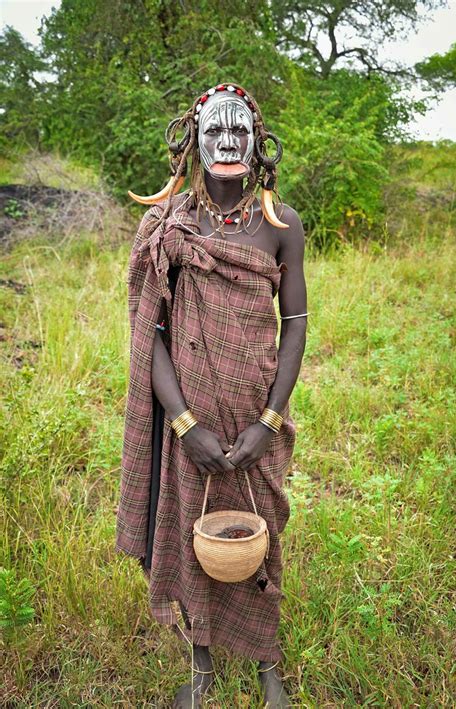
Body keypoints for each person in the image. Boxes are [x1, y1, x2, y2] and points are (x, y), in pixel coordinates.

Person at [116, 82, 307, 708]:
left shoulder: (280, 227)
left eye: (240, 131)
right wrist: (183, 424)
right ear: (193, 144)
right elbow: (155, 334)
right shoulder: (168, 228)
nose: (227, 142)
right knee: (192, 532)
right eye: (214, 131)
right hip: (190, 421)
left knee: (264, 533)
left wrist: (270, 421)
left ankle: (264, 662)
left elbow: (296, 323)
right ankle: (200, 666)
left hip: (257, 415)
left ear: (259, 146)